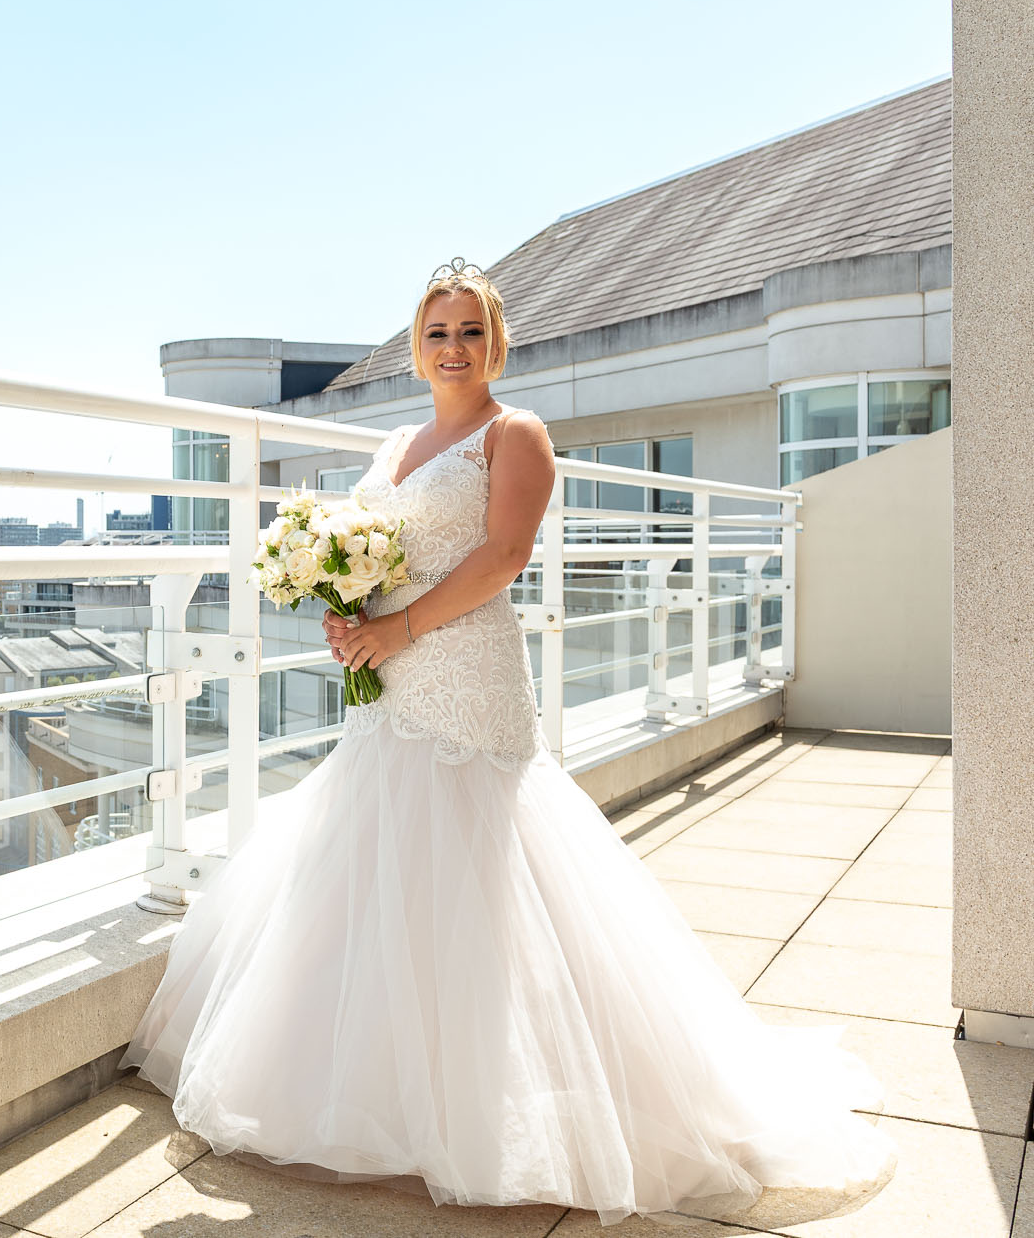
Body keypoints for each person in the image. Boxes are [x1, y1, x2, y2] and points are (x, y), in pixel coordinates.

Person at [118, 259, 898, 1227]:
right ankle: (386, 1094)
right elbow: (374, 548)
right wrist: (348, 606)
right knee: (374, 869)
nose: (454, 348)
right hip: (386, 676)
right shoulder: (397, 438)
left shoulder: (513, 433)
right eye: (438, 331)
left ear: (496, 342)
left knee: (480, 875)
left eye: (470, 332)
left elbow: (501, 558)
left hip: (465, 674)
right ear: (417, 341)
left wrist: (401, 629)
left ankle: (501, 1102)